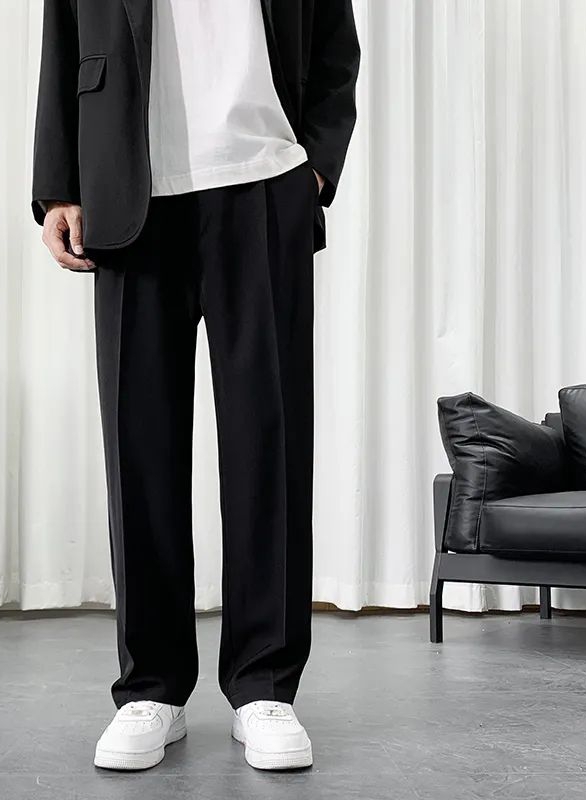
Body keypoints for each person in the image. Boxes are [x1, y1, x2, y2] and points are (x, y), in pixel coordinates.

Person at [32, 0, 359, 772]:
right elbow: (62, 42)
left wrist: (314, 165)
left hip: (264, 181)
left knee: (269, 444)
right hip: (127, 190)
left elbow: (335, 47)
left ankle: (264, 685)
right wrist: (58, 186)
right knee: (138, 447)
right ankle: (151, 688)